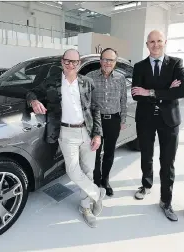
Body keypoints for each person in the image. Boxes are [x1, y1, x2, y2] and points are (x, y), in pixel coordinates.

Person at [26, 49, 106, 228]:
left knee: (88, 171)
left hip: (87, 131)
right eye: (67, 61)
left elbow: (96, 109)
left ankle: (85, 207)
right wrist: (34, 102)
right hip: (66, 133)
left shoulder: (87, 82)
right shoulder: (52, 82)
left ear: (79, 64)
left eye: (74, 62)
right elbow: (31, 92)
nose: (71, 65)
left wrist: (98, 134)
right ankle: (97, 194)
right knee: (72, 170)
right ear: (62, 62)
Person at [131, 30, 184, 221]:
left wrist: (150, 92)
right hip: (145, 119)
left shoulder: (176, 63)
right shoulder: (139, 66)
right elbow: (136, 94)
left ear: (165, 42)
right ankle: (146, 185)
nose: (155, 44)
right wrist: (167, 90)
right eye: (152, 41)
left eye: (159, 41)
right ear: (147, 45)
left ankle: (166, 200)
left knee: (167, 161)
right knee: (146, 154)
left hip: (169, 120)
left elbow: (182, 90)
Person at [86, 48, 127, 197]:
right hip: (97, 122)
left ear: (115, 62)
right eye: (105, 59)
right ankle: (96, 182)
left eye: (111, 60)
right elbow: (86, 102)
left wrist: (122, 119)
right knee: (95, 153)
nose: (107, 62)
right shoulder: (90, 77)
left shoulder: (120, 78)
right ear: (100, 60)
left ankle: (105, 180)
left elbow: (123, 100)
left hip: (113, 121)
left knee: (109, 153)